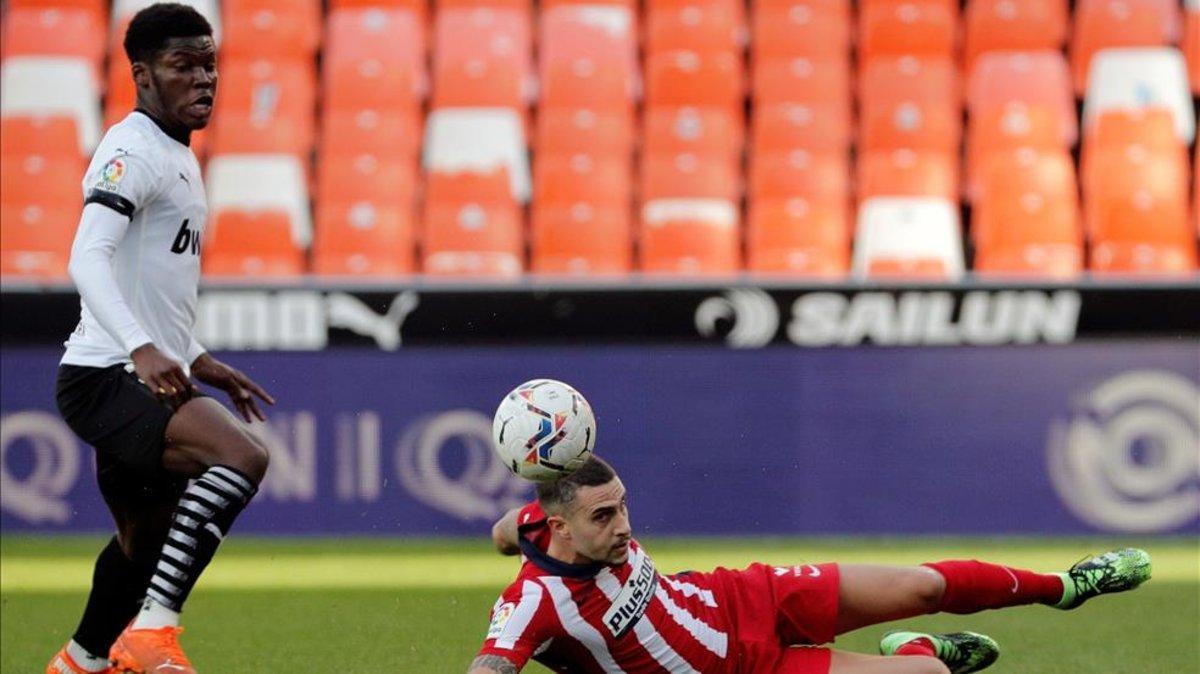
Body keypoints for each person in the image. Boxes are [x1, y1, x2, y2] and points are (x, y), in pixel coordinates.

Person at [46, 5, 275, 673]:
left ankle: (81, 660)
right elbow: (87, 258)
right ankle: (153, 630)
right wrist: (145, 349)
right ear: (143, 75)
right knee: (241, 459)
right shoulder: (131, 150)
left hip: (137, 370)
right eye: (184, 66)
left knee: (142, 542)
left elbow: (147, 280)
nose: (204, 79)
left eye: (210, 65)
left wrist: (196, 357)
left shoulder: (174, 152)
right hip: (106, 374)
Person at [469, 456, 1152, 674]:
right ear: (561, 526)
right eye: (603, 517)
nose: (624, 526)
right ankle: (913, 649)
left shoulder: (538, 523)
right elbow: (494, 661)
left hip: (744, 596)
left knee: (925, 582)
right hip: (746, 669)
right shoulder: (533, 603)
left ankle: (1068, 586)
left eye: (622, 508)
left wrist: (508, 527)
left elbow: (509, 530)